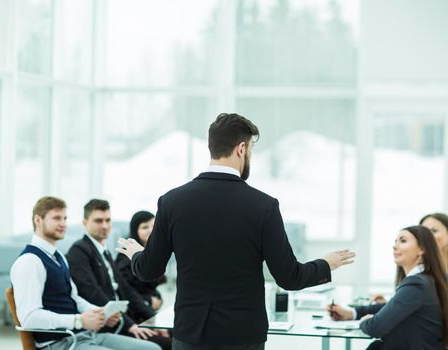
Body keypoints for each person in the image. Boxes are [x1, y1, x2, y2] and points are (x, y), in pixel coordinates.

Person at [116, 113, 356, 350]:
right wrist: (326, 264)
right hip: (243, 334)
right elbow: (289, 277)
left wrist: (137, 253)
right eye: (251, 148)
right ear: (241, 149)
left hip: (192, 332)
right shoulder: (264, 206)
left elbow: (149, 270)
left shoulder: (171, 202)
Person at [10, 196, 159, 350]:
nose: (63, 224)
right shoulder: (29, 261)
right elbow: (29, 318)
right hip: (60, 343)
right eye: (56, 218)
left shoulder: (58, 256)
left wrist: (100, 313)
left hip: (86, 334)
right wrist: (78, 320)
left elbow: (74, 298)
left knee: (152, 349)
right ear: (38, 220)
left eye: (65, 218)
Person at [66, 199, 170, 350]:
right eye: (98, 221)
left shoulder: (104, 251)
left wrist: (153, 321)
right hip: (108, 324)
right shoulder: (79, 251)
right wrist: (130, 325)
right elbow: (93, 293)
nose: (105, 225)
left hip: (123, 319)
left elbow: (127, 290)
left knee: (172, 336)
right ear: (84, 223)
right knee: (168, 344)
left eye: (108, 220)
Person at [328, 225, 448, 350]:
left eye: (403, 241)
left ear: (421, 249)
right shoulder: (426, 280)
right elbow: (391, 306)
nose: (394, 246)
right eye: (395, 241)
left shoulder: (416, 284)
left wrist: (366, 321)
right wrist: (353, 313)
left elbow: (375, 328)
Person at [116, 211, 167, 313]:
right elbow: (125, 290)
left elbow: (150, 286)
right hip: (133, 312)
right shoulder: (126, 257)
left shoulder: (153, 251)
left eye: (153, 226)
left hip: (147, 308)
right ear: (135, 230)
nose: (151, 230)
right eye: (145, 227)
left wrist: (157, 297)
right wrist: (148, 300)